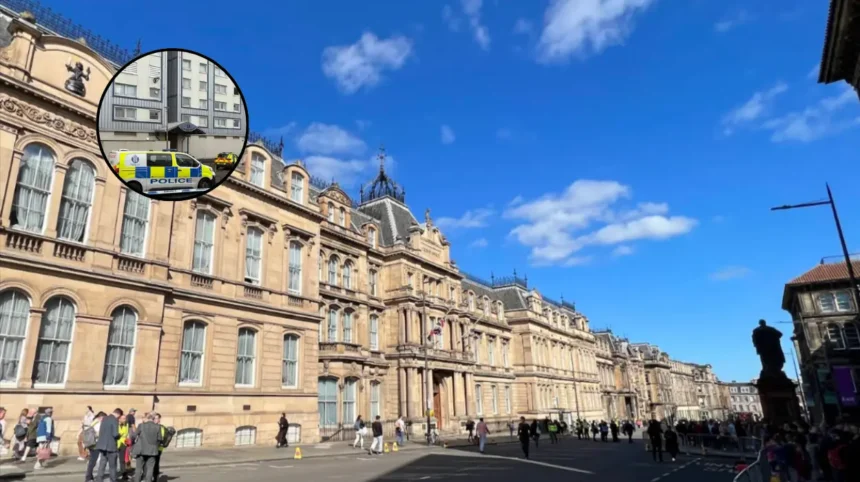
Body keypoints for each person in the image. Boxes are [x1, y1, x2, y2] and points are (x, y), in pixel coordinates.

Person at [87, 408, 122, 482]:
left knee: (102, 465)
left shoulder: (105, 419)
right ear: (118, 414)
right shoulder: (114, 420)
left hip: (102, 446)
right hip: (111, 446)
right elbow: (115, 434)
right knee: (112, 466)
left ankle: (99, 479)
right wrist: (119, 435)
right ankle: (113, 480)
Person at [131, 413, 162, 482]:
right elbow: (159, 439)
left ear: (147, 418)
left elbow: (134, 435)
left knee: (138, 469)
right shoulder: (158, 427)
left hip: (141, 450)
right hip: (152, 451)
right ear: (153, 419)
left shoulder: (141, 425)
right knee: (150, 469)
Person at [117, 414, 131, 480]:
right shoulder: (115, 424)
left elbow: (126, 434)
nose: (125, 420)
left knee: (122, 460)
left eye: (125, 418)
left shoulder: (126, 424)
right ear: (119, 419)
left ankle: (124, 474)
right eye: (123, 418)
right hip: (116, 443)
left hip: (123, 443)